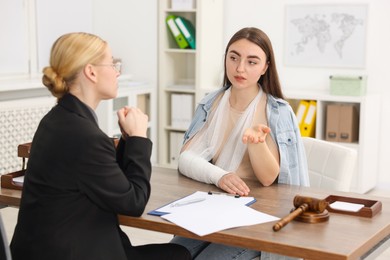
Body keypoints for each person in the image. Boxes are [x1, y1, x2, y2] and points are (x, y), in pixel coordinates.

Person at [10, 32, 191, 260]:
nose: (117, 72)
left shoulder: (57, 120)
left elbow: (108, 182)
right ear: (91, 71)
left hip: (44, 250)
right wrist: (138, 138)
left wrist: (126, 139)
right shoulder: (85, 135)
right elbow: (133, 202)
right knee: (179, 255)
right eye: (112, 63)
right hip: (74, 252)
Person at [170, 27, 309, 260]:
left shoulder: (276, 112)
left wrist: (256, 143)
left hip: (259, 214)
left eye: (252, 62)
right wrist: (220, 176)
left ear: (265, 67)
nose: (240, 68)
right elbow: (186, 159)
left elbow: (268, 179)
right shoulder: (211, 103)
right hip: (214, 205)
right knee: (172, 255)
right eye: (233, 57)